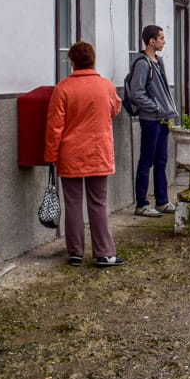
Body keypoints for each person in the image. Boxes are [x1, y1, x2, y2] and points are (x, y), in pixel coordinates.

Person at [44, 41, 125, 268]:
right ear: (93, 60)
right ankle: (104, 253)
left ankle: (75, 252)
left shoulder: (62, 89)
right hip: (98, 151)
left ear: (72, 63)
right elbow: (114, 110)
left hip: (70, 153)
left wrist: (51, 156)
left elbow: (54, 127)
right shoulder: (106, 86)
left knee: (73, 203)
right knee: (98, 203)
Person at [127, 25, 180, 217]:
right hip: (150, 119)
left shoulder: (158, 61)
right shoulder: (143, 63)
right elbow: (136, 93)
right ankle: (141, 203)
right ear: (152, 41)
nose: (164, 42)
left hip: (163, 118)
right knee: (146, 160)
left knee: (161, 161)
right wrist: (156, 108)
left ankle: (162, 200)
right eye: (161, 38)